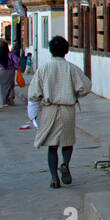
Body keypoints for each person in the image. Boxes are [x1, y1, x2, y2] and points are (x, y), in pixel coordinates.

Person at [25, 36, 91, 189]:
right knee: (67, 142)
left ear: (50, 51)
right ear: (66, 51)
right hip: (67, 109)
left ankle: (54, 178)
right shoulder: (72, 68)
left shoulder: (43, 69)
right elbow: (86, 87)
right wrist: (74, 94)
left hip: (50, 109)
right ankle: (65, 164)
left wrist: (33, 111)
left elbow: (33, 92)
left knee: (52, 145)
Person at [0, 39, 18, 108]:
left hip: (2, 71)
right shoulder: (11, 55)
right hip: (11, 71)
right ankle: (11, 97)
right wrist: (15, 67)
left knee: (3, 87)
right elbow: (17, 61)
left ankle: (4, 101)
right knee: (11, 85)